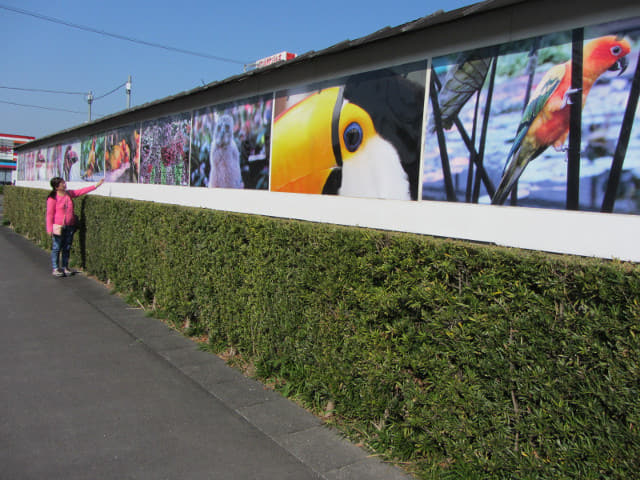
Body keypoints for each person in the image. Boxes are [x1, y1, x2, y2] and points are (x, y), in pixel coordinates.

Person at [45, 177, 104, 277]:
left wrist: (96, 185)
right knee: (57, 247)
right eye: (62, 183)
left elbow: (81, 191)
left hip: (70, 226)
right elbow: (49, 214)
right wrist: (49, 228)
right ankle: (55, 268)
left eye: (64, 182)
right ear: (56, 187)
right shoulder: (53, 198)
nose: (64, 184)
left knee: (67, 247)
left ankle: (65, 267)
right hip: (58, 227)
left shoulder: (68, 194)